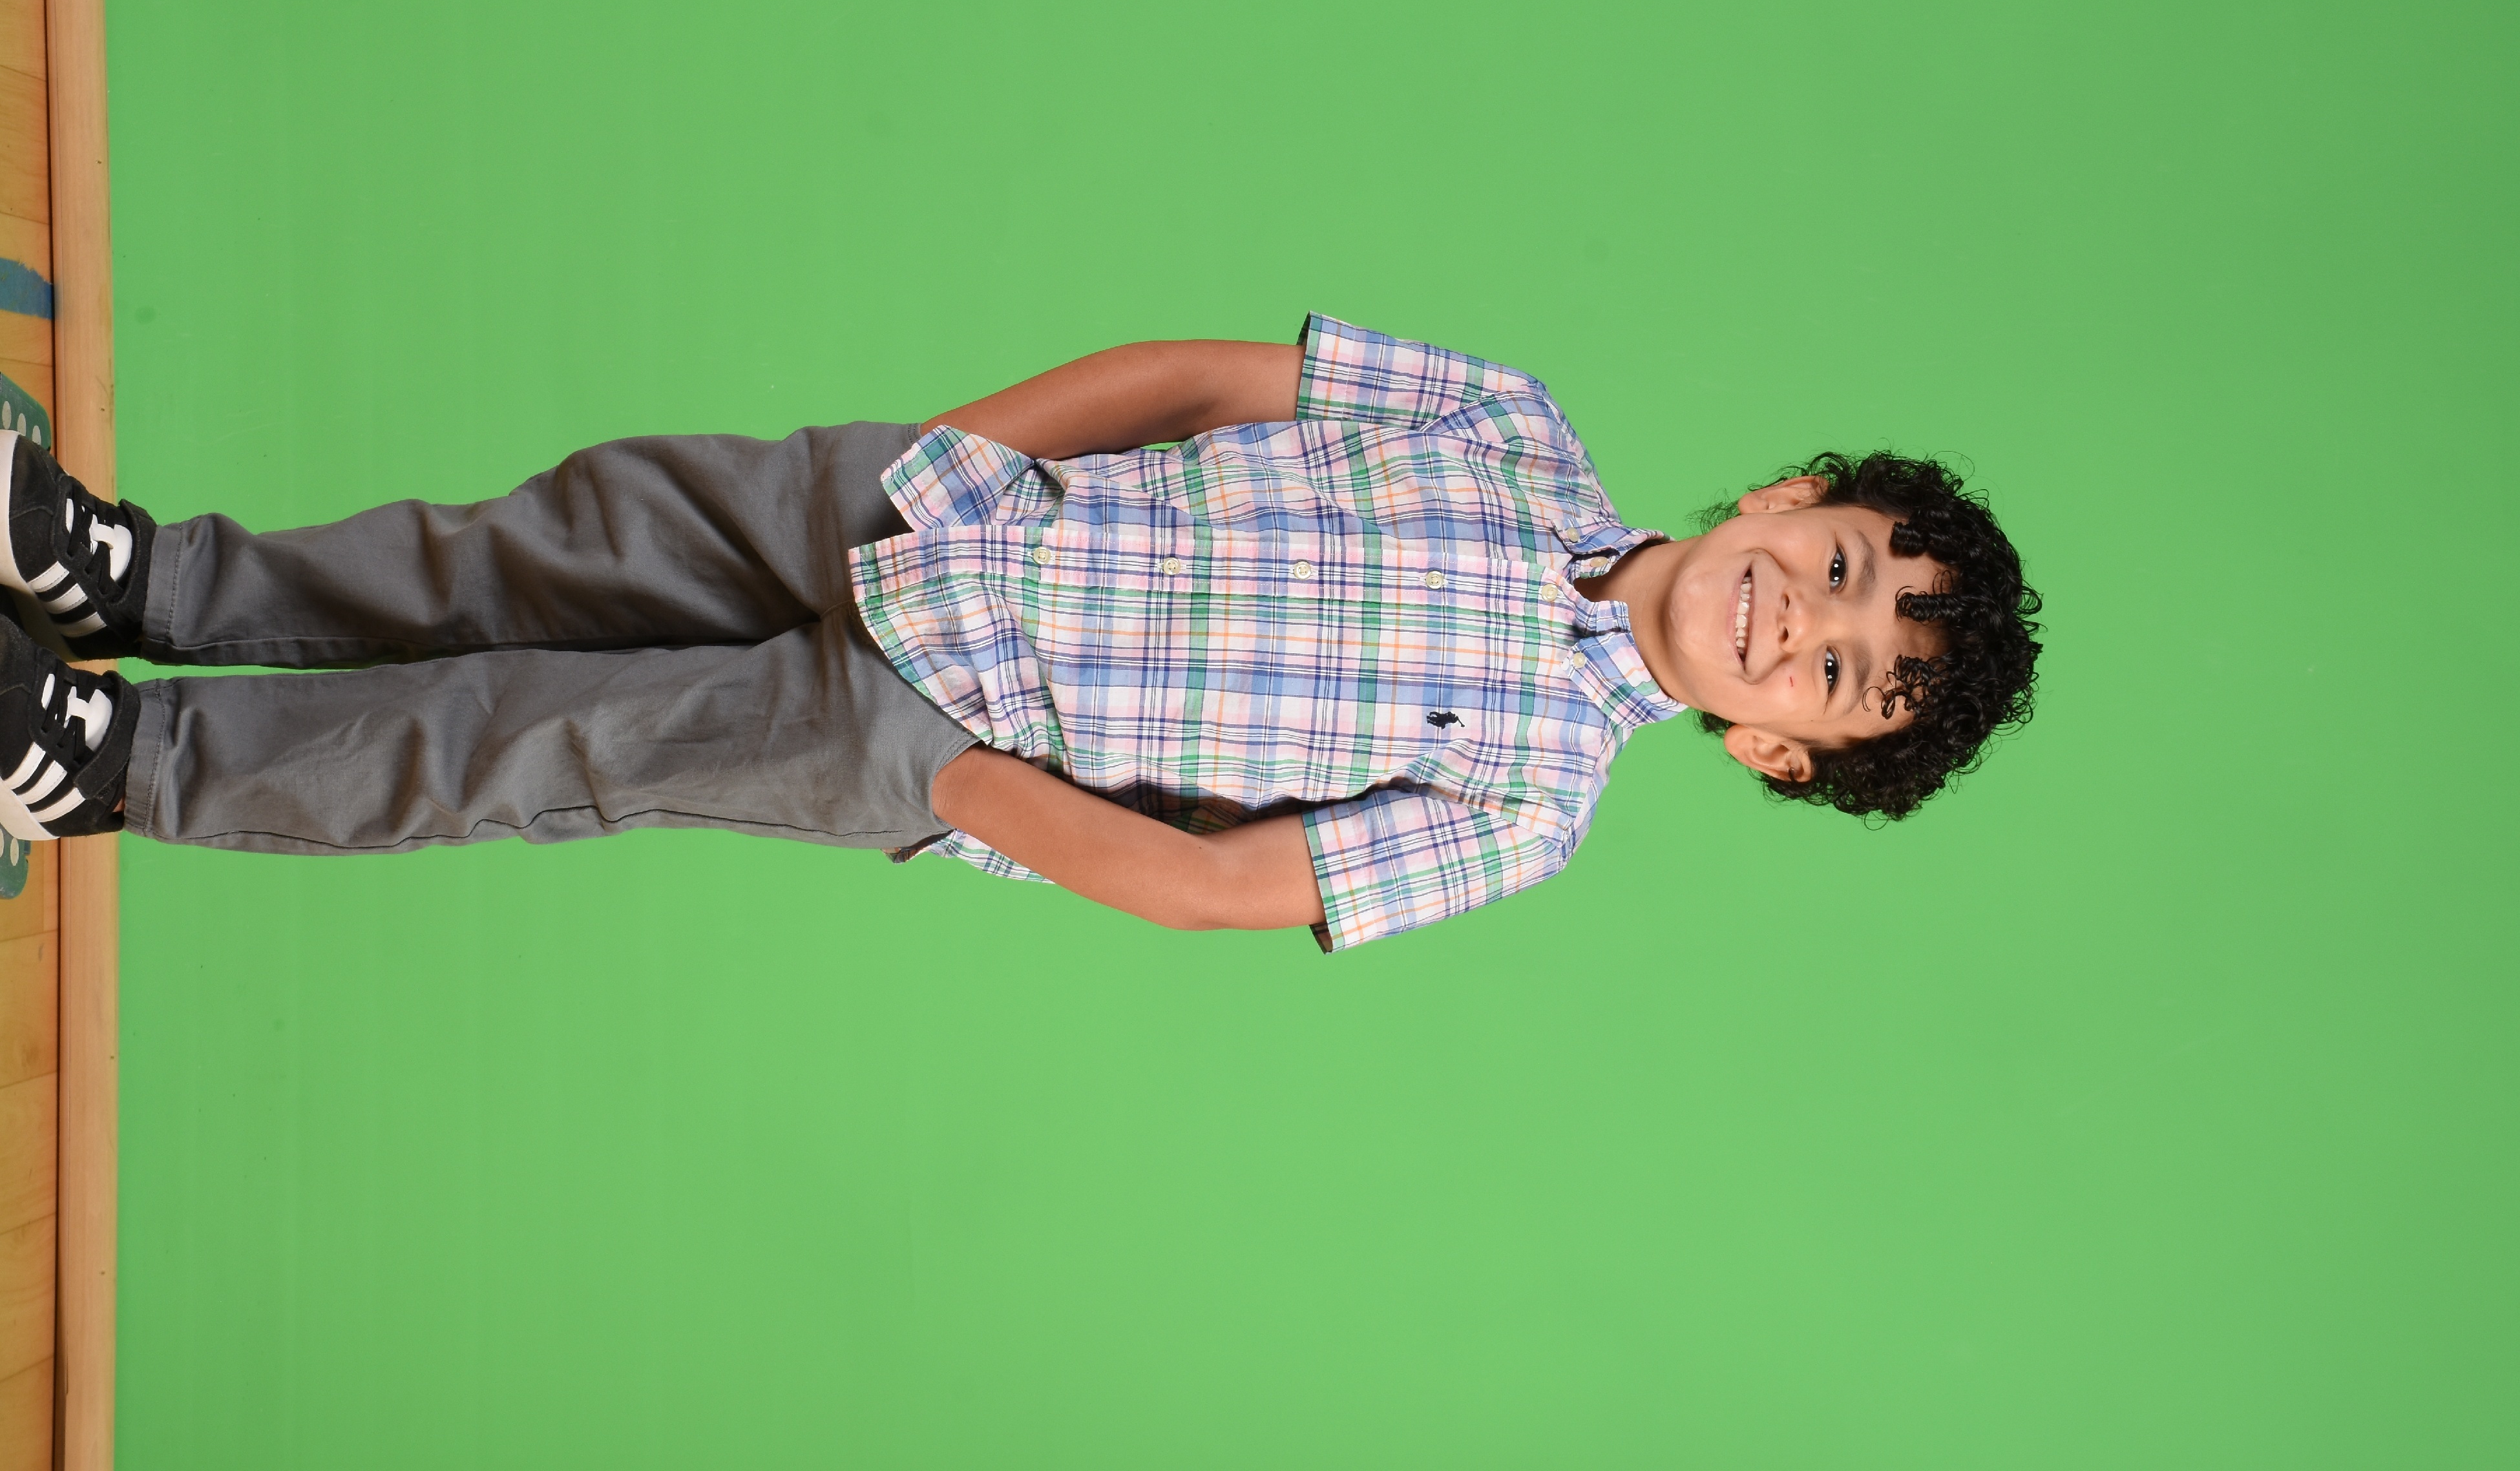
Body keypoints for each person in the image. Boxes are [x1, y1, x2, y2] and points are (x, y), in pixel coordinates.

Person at [0, 315, 2041, 951]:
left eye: (1832, 673)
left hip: (945, 723)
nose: (1801, 617)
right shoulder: (1508, 426)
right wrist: (952, 458)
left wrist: (952, 783)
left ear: (1776, 749)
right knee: (538, 545)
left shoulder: (1531, 807)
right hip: (929, 511)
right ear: (1790, 495)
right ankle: (143, 581)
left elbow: (1221, 880)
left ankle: (108, 764)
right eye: (1838, 563)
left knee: (533, 740)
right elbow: (1201, 377)